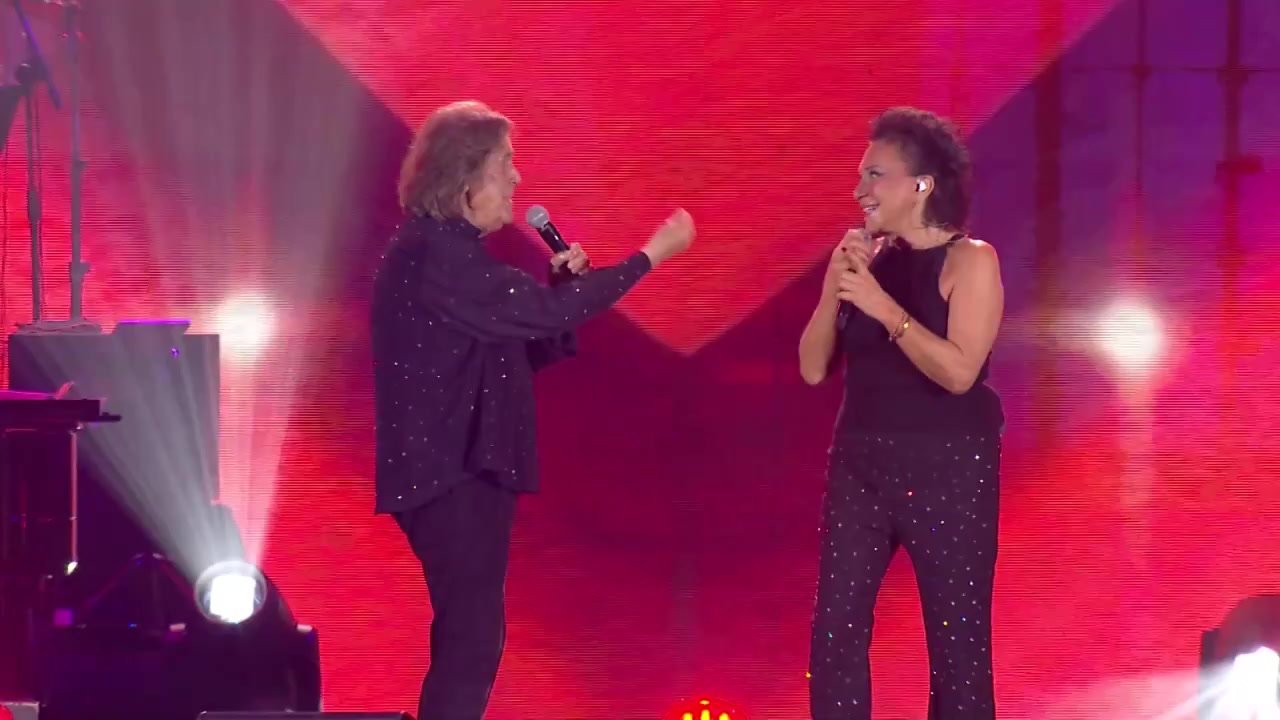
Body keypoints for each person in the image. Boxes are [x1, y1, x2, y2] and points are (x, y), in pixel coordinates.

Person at [370, 100, 694, 720]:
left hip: (464, 468)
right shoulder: (435, 255)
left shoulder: (452, 257)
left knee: (473, 637)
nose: (517, 179)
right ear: (466, 179)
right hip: (449, 470)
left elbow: (520, 352)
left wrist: (563, 291)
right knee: (470, 639)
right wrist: (650, 255)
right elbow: (542, 315)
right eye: (505, 163)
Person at [798, 106, 1005, 719]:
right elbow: (812, 369)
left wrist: (882, 307)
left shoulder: (972, 260)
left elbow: (959, 372)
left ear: (921, 185)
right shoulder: (868, 263)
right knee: (834, 637)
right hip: (860, 465)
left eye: (874, 175)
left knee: (957, 649)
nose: (859, 190)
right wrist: (835, 284)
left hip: (949, 469)